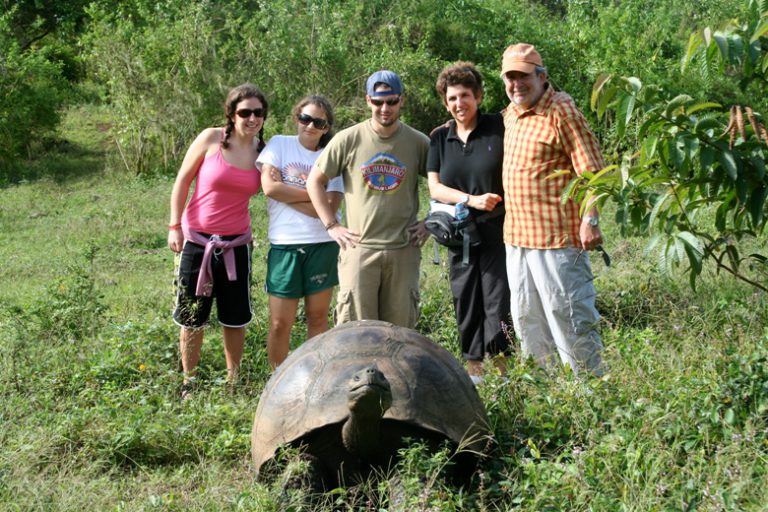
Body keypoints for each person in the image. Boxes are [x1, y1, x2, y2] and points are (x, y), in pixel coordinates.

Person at [500, 43, 605, 375]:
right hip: (517, 238)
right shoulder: (510, 114)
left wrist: (590, 219)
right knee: (526, 319)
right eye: (510, 77)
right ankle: (551, 395)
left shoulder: (562, 111)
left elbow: (594, 173)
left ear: (542, 76)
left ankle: (589, 391)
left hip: (557, 240)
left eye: (523, 76)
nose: (517, 84)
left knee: (569, 316)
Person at [306, 70, 430, 328]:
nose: (385, 108)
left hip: (403, 251)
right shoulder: (348, 139)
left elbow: (445, 184)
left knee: (401, 332)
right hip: (359, 250)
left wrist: (431, 222)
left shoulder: (418, 142)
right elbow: (314, 181)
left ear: (401, 100)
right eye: (378, 101)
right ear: (368, 100)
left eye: (392, 101)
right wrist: (332, 225)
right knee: (356, 331)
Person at [167, 83, 267, 397]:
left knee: (235, 317)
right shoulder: (211, 138)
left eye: (258, 112)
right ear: (231, 113)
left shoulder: (264, 151)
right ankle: (189, 382)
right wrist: (174, 225)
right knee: (193, 313)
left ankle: (233, 381)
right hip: (197, 240)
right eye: (245, 112)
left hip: (236, 244)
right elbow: (183, 180)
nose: (252, 118)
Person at [427, 62, 512, 384]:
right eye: (452, 98)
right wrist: (470, 199)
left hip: (497, 230)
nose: (459, 103)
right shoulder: (439, 138)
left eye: (465, 95)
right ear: (445, 102)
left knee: (498, 302)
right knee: (465, 301)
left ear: (477, 96)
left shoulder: (498, 127)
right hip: (460, 233)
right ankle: (474, 374)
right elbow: (434, 188)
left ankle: (504, 374)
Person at [257, 95, 343, 369]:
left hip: (322, 244)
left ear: (327, 127)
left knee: (317, 319)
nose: (311, 126)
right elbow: (270, 188)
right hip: (285, 246)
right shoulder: (279, 145)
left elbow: (330, 206)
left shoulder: (331, 155)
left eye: (319, 122)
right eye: (305, 119)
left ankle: (314, 377)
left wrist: (289, 193)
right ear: (296, 118)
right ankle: (276, 379)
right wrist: (316, 198)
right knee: (281, 323)